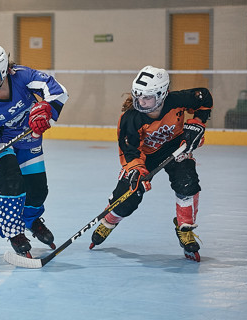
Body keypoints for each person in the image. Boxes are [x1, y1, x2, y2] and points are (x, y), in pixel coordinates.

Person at [89, 66, 213, 262]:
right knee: (128, 198)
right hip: (145, 157)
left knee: (187, 183)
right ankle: (109, 220)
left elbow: (204, 97)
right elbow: (130, 151)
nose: (141, 102)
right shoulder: (131, 118)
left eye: (147, 98)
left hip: (176, 147)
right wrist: (136, 171)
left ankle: (185, 228)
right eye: (138, 96)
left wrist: (198, 122)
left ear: (163, 94)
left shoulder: (178, 100)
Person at [0, 45, 69, 258]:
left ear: (2, 72)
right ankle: (14, 231)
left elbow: (58, 91)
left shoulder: (23, 76)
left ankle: (30, 219)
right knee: (11, 180)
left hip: (26, 136)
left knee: (38, 190)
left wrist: (45, 109)